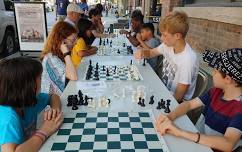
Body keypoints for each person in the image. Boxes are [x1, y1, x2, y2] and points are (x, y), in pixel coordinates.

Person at [156, 48, 242, 152]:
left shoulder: (239, 109)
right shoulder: (216, 91)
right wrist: (170, 116)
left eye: (215, 70)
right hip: (196, 141)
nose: (213, 73)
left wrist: (180, 132)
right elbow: (189, 105)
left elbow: (227, 144)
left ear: (228, 79)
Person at [0, 57, 63, 152]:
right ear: (28, 85)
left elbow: (53, 97)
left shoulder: (29, 101)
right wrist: (44, 131)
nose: (42, 81)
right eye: (40, 78)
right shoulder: (8, 119)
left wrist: (54, 109)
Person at [134, 11, 199, 102]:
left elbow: (179, 96)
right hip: (164, 90)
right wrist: (142, 53)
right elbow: (151, 53)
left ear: (177, 36)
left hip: (177, 102)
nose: (162, 38)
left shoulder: (188, 59)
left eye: (164, 35)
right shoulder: (167, 46)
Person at [40, 21, 78, 96]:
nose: (75, 43)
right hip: (51, 103)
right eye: (73, 40)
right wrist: (66, 54)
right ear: (61, 41)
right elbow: (73, 76)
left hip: (60, 97)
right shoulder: (51, 58)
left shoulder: (59, 54)